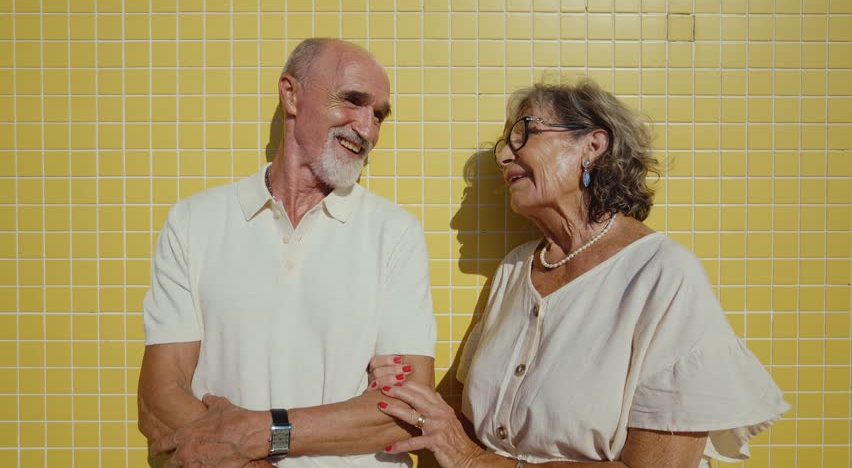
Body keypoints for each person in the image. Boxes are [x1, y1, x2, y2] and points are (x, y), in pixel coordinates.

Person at [371, 81, 790, 468]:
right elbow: (470, 429)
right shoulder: (515, 269)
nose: (503, 155)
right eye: (504, 142)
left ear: (592, 145)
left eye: (524, 132)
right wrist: (407, 391)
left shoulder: (661, 275)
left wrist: (476, 463)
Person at [137, 38, 437, 468]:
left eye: (379, 115)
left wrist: (258, 434)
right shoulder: (193, 222)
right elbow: (158, 398)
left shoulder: (395, 234)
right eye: (353, 101)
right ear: (291, 94)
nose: (368, 129)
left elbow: (405, 411)